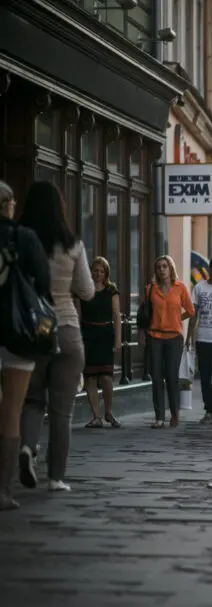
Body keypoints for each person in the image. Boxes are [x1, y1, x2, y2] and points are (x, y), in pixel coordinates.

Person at [16, 181, 93, 494]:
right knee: (62, 410)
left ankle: (27, 449)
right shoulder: (72, 243)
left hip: (35, 329)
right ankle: (56, 478)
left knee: (32, 400)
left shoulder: (21, 242)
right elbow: (87, 291)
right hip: (67, 328)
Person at [0, 181, 51, 510]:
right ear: (8, 204)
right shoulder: (25, 237)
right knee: (11, 411)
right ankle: (2, 490)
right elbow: (43, 285)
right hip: (18, 334)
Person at [145, 255, 195, 428]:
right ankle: (159, 416)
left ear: (171, 268)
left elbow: (191, 310)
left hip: (174, 337)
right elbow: (146, 312)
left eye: (165, 266)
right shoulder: (151, 288)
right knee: (156, 377)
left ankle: (174, 414)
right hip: (155, 336)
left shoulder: (180, 287)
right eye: (159, 267)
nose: (162, 269)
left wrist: (177, 318)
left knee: (172, 376)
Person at [81, 256, 122, 428]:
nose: (98, 274)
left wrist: (118, 340)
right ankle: (96, 416)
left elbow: (116, 316)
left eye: (101, 271)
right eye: (95, 270)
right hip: (88, 335)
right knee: (90, 377)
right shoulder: (84, 290)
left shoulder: (111, 291)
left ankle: (108, 412)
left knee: (106, 377)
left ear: (106, 273)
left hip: (105, 335)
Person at [188, 256, 212, 425]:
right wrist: (190, 336)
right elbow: (193, 314)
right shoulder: (199, 288)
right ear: (210, 270)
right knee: (204, 377)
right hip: (203, 338)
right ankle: (209, 410)